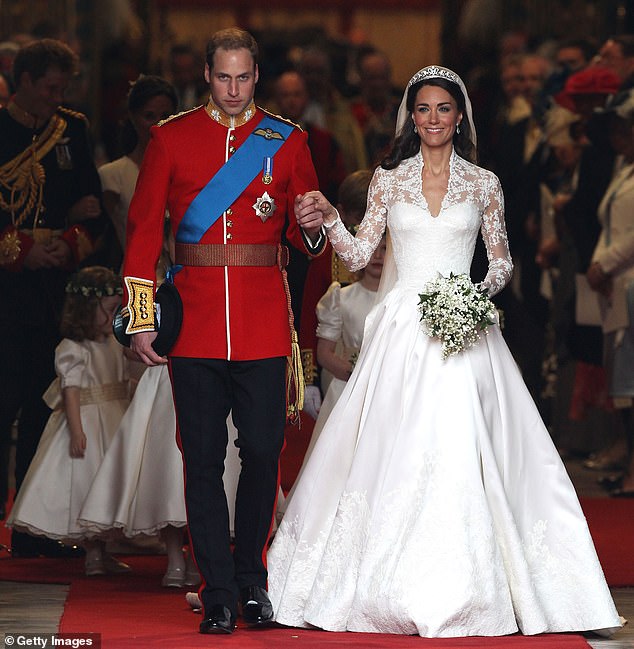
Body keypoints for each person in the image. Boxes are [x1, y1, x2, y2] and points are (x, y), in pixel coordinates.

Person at [267, 65, 622, 637]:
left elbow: (502, 261)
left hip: (465, 329)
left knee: (469, 445)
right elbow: (361, 255)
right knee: (395, 448)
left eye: (444, 109)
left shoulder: (484, 184)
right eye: (424, 109)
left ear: (460, 117)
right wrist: (334, 219)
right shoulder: (389, 180)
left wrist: (472, 297)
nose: (433, 120)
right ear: (413, 116)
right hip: (403, 332)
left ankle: (489, 585)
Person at [120, 27, 325, 635]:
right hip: (195, 325)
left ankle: (252, 580)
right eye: (222, 77)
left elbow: (302, 234)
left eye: (243, 77)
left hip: (262, 323)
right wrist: (140, 319)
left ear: (255, 74)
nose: (233, 90)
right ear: (206, 76)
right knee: (202, 459)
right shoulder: (172, 138)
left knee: (262, 454)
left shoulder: (286, 142)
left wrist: (313, 226)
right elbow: (141, 234)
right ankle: (218, 592)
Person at [0, 38, 107, 558]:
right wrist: (21, 250)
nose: (55, 97)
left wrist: (66, 244)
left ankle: (31, 529)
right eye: (49, 88)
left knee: (47, 409)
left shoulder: (73, 130)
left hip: (54, 292)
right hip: (6, 290)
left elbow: (92, 213)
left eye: (62, 88)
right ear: (23, 81)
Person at [6, 266, 132, 576]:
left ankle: (104, 551)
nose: (114, 317)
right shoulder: (74, 349)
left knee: (109, 487)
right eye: (109, 310)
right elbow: (71, 392)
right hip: (90, 422)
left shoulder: (116, 344)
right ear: (87, 310)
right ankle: (92, 554)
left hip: (115, 420)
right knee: (86, 484)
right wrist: (76, 430)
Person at [585, 89, 634, 497]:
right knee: (622, 376)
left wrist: (606, 263)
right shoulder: (624, 168)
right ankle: (629, 462)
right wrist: (600, 265)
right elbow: (610, 223)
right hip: (617, 284)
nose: (618, 140)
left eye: (624, 131)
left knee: (630, 377)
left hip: (629, 280)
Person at [299, 169, 372, 419]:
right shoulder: (326, 257)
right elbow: (310, 318)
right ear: (340, 211)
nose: (364, 226)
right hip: (337, 364)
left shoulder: (390, 252)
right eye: (357, 217)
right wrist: (309, 379)